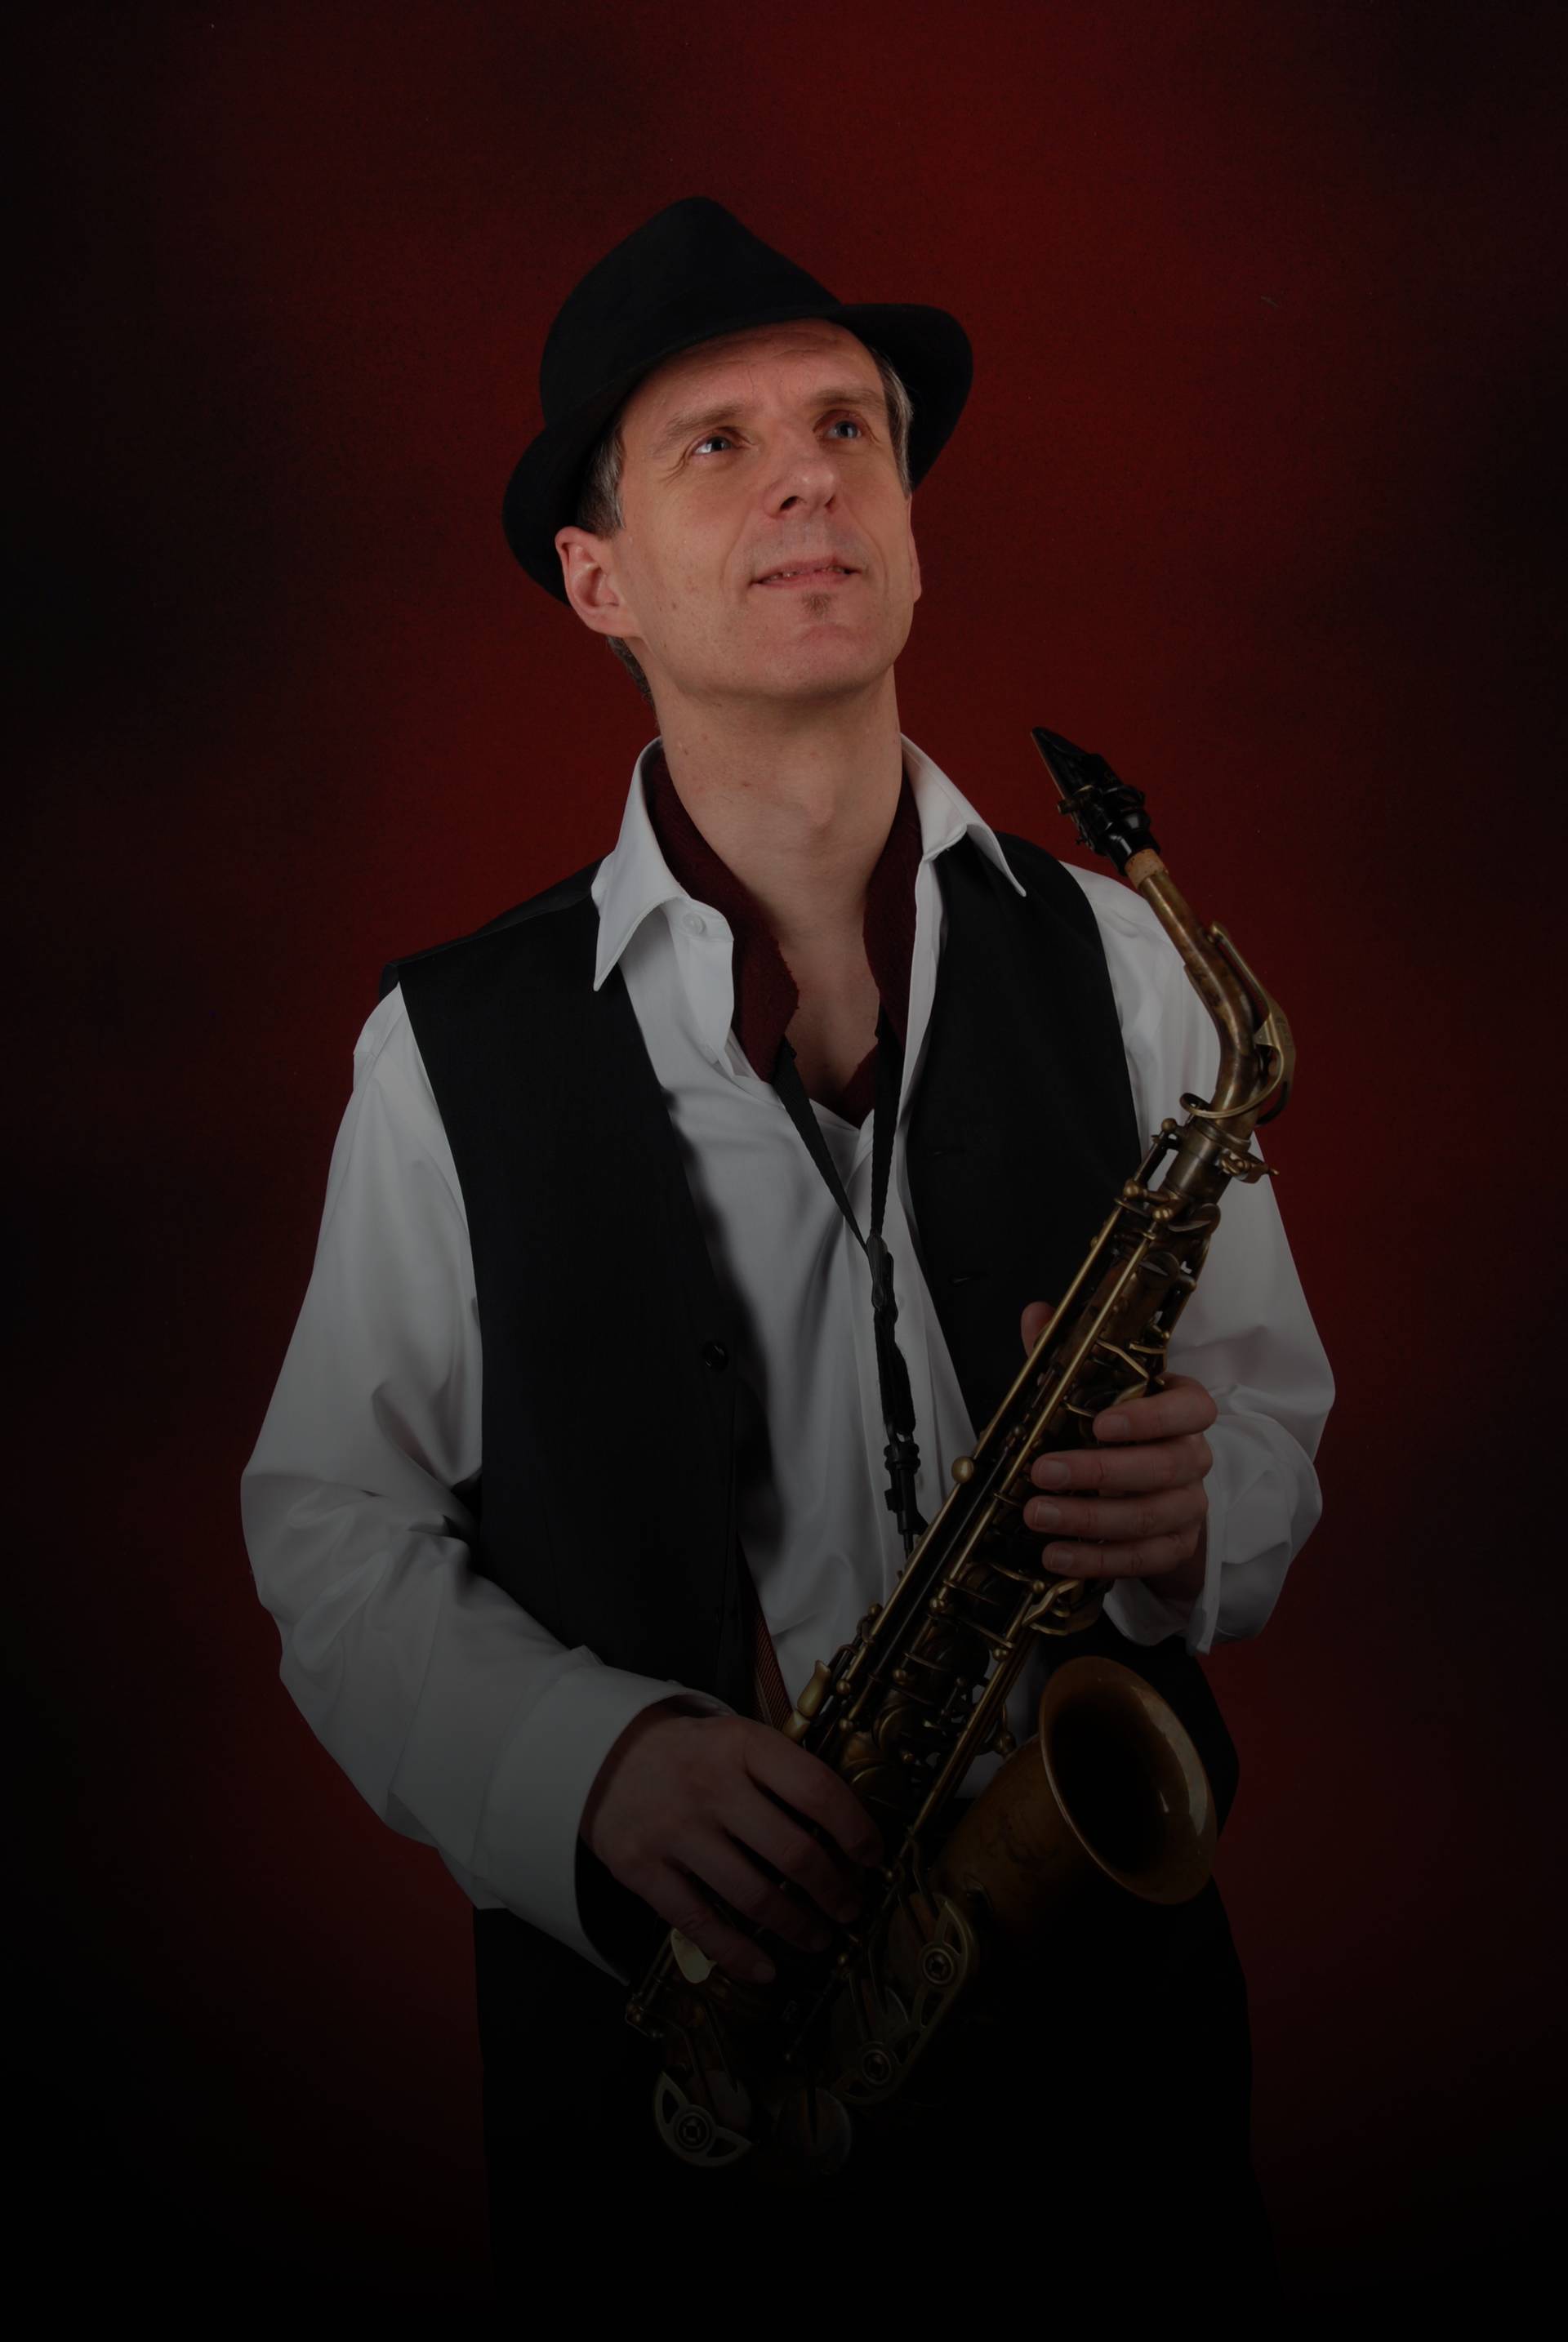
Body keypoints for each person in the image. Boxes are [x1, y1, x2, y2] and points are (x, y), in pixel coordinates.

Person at [242, 198, 1333, 2307]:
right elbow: (331, 1528)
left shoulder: (1126, 964)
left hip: (1109, 2065)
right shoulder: (447, 1048)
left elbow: (1275, 1420)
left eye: (848, 428)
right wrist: (588, 1766)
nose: (810, 477)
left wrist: (1207, 1509)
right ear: (600, 579)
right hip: (685, 2088)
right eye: (717, 446)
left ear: (910, 534)